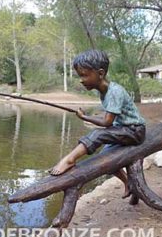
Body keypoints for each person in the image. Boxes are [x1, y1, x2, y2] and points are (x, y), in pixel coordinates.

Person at [50, 49, 146, 199]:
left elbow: (107, 123)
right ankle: (128, 183)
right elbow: (111, 116)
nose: (81, 80)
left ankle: (69, 160)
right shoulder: (103, 91)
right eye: (80, 75)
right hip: (123, 129)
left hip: (134, 131)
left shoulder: (114, 91)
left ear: (100, 74)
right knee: (104, 158)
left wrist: (85, 117)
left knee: (98, 134)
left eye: (84, 75)